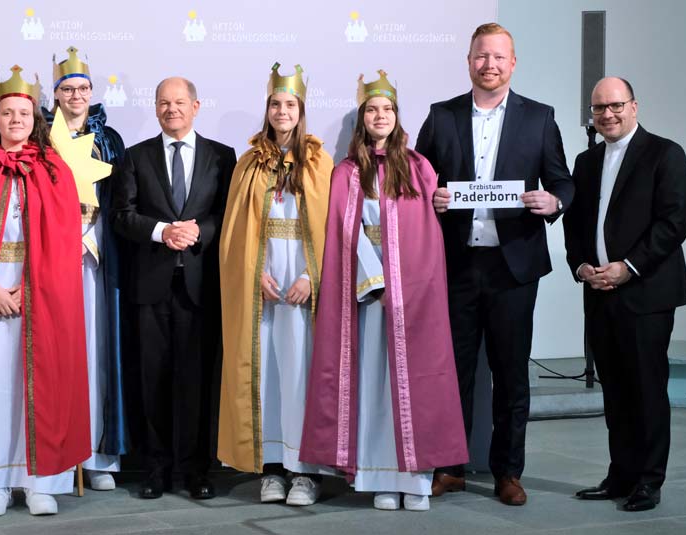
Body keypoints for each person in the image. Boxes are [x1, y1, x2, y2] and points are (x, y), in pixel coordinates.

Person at [414, 22, 574, 505]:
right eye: (482, 56)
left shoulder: (540, 118)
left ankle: (508, 472)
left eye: (499, 57)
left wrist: (554, 204)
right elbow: (416, 181)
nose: (490, 65)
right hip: (455, 265)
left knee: (510, 375)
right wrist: (431, 197)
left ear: (513, 63)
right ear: (468, 61)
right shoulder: (440, 117)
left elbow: (562, 182)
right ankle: (450, 467)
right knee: (452, 374)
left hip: (514, 269)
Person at [300, 71, 468, 511]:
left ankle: (414, 480)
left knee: (414, 384)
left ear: (397, 116)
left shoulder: (419, 166)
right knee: (373, 383)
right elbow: (342, 231)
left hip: (412, 297)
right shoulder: (347, 172)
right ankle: (380, 480)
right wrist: (374, 280)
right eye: (372, 109)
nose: (380, 116)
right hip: (367, 295)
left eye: (387, 109)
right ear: (362, 118)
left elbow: (427, 232)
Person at [0, 65, 90, 516]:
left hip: (38, 294)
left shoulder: (55, 171)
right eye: (7, 113)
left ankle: (41, 482)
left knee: (42, 381)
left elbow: (64, 241)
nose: (15, 121)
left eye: (23, 114)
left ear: (35, 119)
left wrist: (29, 288)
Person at [563, 77, 686, 512]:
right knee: (615, 392)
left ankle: (649, 481)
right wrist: (582, 265)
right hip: (599, 292)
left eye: (616, 105)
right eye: (599, 108)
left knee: (647, 391)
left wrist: (628, 268)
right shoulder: (585, 162)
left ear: (634, 106)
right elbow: (575, 224)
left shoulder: (665, 153)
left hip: (646, 294)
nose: (608, 114)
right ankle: (620, 475)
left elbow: (673, 222)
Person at [112, 77, 236, 500]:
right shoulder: (134, 156)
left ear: (197, 106)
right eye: (163, 103)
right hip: (151, 288)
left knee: (198, 381)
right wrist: (163, 231)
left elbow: (228, 213)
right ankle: (156, 469)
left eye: (179, 102)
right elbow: (122, 216)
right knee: (153, 381)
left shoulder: (223, 156)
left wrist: (200, 230)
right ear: (155, 107)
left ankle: (196, 469)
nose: (171, 109)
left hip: (202, 287)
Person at [218, 63, 332, 506]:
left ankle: (306, 471)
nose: (282, 111)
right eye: (274, 104)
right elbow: (235, 233)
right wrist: (252, 273)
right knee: (266, 374)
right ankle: (271, 467)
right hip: (263, 286)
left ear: (301, 110)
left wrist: (310, 275)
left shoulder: (320, 162)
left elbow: (331, 229)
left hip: (303, 286)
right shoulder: (249, 162)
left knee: (302, 373)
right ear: (266, 109)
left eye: (289, 104)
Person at [43, 46, 127, 492]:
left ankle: (96, 456)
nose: (76, 95)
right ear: (56, 94)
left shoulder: (108, 139)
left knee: (95, 354)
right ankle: (58, 454)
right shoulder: (41, 138)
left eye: (83, 88)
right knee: (57, 357)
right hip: (53, 260)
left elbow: (119, 200)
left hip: (96, 258)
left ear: (92, 92)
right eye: (67, 88)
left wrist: (89, 239)